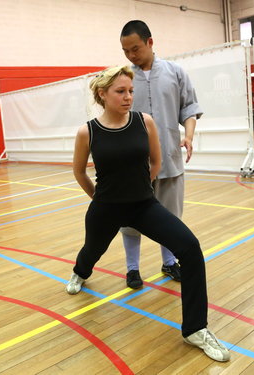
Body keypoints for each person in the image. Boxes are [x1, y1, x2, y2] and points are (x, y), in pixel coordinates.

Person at [66, 66, 229, 362]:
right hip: (106, 208)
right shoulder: (86, 131)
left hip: (143, 205)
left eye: (131, 91)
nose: (129, 97)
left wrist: (142, 188)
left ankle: (195, 329)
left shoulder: (145, 122)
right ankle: (80, 272)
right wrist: (99, 199)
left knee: (190, 248)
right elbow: (78, 171)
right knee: (92, 250)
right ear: (102, 94)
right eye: (120, 91)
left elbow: (156, 162)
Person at [119, 20, 203, 288]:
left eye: (135, 49)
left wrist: (188, 136)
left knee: (169, 217)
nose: (131, 56)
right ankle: (132, 269)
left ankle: (169, 263)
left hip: (169, 159)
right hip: (134, 167)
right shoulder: (124, 79)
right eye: (126, 51)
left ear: (150, 42)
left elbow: (189, 108)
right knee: (130, 220)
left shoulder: (175, 72)